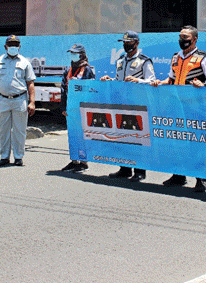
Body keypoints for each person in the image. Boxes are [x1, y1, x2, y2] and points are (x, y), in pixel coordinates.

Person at [151, 26, 206, 192]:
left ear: (194, 39)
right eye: (180, 37)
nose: (182, 40)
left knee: (195, 142)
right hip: (176, 104)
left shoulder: (203, 57)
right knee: (177, 140)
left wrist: (203, 85)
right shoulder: (176, 57)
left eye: (185, 37)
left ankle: (201, 178)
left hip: (195, 107)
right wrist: (161, 82)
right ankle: (179, 175)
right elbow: (171, 78)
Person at [101, 30, 155, 181]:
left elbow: (152, 81)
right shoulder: (120, 60)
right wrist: (109, 79)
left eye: (129, 43)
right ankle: (124, 169)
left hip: (138, 104)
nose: (126, 45)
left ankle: (140, 171)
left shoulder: (145, 61)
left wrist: (138, 81)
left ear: (137, 43)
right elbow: (119, 81)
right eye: (124, 43)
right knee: (123, 137)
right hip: (122, 104)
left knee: (138, 138)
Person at [0, 35, 36, 167]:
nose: (13, 47)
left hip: (20, 99)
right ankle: (4, 157)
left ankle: (18, 157)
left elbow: (30, 83)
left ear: (19, 47)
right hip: (3, 99)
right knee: (4, 130)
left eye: (15, 44)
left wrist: (32, 102)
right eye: (10, 44)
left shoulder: (25, 62)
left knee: (19, 131)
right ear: (5, 47)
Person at [60, 43, 96, 173]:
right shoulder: (68, 70)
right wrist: (63, 107)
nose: (73, 56)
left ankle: (84, 162)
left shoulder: (87, 70)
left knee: (83, 135)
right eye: (71, 53)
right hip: (70, 108)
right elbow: (63, 89)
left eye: (75, 53)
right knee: (73, 135)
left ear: (82, 55)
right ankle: (74, 160)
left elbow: (92, 90)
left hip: (83, 108)